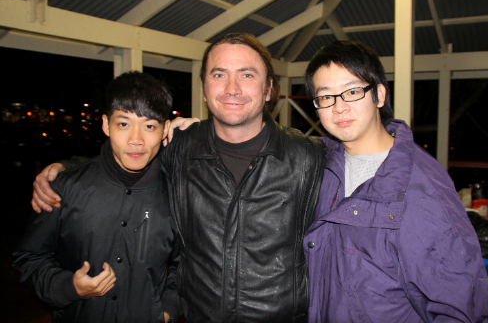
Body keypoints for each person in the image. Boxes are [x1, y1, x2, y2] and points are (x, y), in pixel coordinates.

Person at [30, 33, 327, 322]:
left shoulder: (308, 156)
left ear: (268, 89)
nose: (232, 88)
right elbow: (124, 161)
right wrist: (64, 168)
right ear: (204, 88)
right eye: (219, 74)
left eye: (247, 75)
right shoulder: (180, 148)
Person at [301, 40, 488, 322]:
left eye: (352, 91)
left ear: (379, 95)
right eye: (326, 97)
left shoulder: (422, 187)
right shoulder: (323, 162)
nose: (339, 108)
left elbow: (459, 307)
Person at [13, 72, 181, 322]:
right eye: (124, 124)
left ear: (165, 129)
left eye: (149, 126)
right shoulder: (65, 186)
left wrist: (167, 309)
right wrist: (67, 286)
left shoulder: (176, 193)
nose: (136, 140)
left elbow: (187, 264)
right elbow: (29, 258)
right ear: (105, 125)